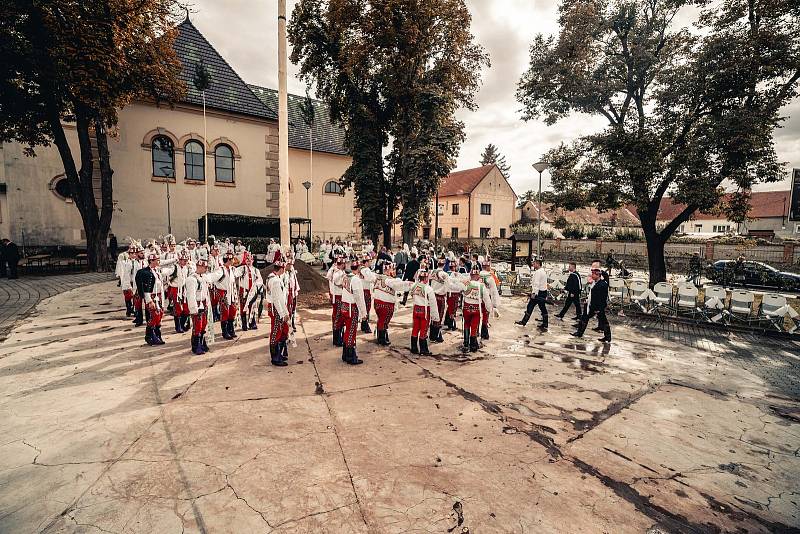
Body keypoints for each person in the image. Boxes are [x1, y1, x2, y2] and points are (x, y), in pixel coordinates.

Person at [185, 257, 225, 355]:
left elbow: (211, 281)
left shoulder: (203, 277)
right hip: (197, 304)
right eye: (204, 267)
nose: (206, 269)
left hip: (204, 303)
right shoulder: (192, 279)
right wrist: (194, 308)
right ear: (198, 267)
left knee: (203, 325)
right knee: (197, 326)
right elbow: (191, 295)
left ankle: (202, 343)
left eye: (206, 267)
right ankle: (196, 346)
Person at [450, 267, 492, 353]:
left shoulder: (465, 284)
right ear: (478, 276)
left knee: (466, 324)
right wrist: (488, 309)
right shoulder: (481, 286)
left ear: (470, 275)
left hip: (466, 308)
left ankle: (466, 343)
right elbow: (487, 299)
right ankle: (473, 345)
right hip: (476, 308)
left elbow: (455, 286)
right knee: (474, 326)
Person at [371, 262, 409, 346]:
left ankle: (381, 336)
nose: (394, 271)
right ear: (388, 270)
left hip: (377, 303)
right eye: (393, 269)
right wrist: (411, 284)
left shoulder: (377, 277)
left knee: (381, 320)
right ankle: (382, 339)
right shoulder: (389, 280)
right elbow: (400, 285)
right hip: (385, 304)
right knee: (384, 321)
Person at [340, 261, 368, 365]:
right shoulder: (356, 280)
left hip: (345, 305)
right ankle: (351, 356)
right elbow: (359, 297)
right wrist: (363, 312)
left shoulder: (346, 277)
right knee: (351, 332)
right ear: (359, 268)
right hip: (351, 307)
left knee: (348, 331)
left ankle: (345, 354)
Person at [573, 267, 611, 342]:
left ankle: (608, 337)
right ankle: (579, 333)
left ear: (598, 275)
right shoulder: (595, 283)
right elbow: (592, 294)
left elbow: (602, 298)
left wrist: (599, 309)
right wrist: (587, 300)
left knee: (603, 321)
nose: (592, 275)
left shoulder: (602, 285)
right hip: (591, 305)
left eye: (593, 274)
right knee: (585, 318)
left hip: (597, 307)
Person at [136, 251, 166, 346]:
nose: (158, 261)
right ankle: (150, 336)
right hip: (152, 297)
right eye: (157, 260)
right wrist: (149, 300)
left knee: (159, 316)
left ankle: (157, 334)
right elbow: (146, 289)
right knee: (153, 316)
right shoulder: (147, 273)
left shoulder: (157, 271)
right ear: (152, 261)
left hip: (158, 296)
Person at [408, 268, 439, 356]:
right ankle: (423, 349)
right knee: (424, 329)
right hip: (425, 310)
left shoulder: (414, 286)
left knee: (415, 328)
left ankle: (413, 348)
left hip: (416, 309)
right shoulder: (428, 288)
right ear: (425, 278)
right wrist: (436, 317)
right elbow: (433, 303)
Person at [515, 259, 549, 331]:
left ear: (538, 264)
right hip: (543, 291)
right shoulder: (543, 271)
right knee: (542, 307)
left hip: (538, 292)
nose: (533, 265)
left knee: (530, 306)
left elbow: (536, 284)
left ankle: (524, 322)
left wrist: (534, 293)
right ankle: (545, 323)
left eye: (534, 263)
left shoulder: (538, 272)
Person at [267, 261, 290, 366]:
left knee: (280, 330)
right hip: (276, 309)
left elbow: (280, 298)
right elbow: (277, 299)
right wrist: (282, 313)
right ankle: (275, 358)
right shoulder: (275, 281)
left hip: (277, 307)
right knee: (276, 332)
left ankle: (278, 354)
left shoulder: (271, 277)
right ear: (281, 269)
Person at [214, 251, 239, 340]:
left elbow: (239, 271)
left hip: (232, 292)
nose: (233, 261)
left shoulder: (232, 269)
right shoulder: (220, 270)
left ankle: (231, 329)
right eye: (232, 259)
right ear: (228, 260)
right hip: (223, 292)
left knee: (232, 310)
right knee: (225, 311)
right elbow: (213, 278)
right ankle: (225, 332)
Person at [236, 252, 263, 331]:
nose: (248, 261)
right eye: (247, 260)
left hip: (253, 291)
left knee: (253, 307)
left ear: (253, 260)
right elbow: (235, 273)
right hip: (244, 291)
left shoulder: (256, 270)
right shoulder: (242, 268)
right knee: (243, 307)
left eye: (250, 260)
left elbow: (260, 280)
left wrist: (257, 288)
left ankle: (252, 323)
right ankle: (244, 324)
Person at [166, 250, 192, 333]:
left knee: (186, 308)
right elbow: (167, 272)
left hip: (184, 289)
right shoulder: (174, 267)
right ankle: (178, 327)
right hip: (175, 289)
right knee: (178, 308)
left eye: (186, 261)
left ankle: (184, 324)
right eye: (183, 261)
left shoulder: (186, 268)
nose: (185, 262)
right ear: (179, 260)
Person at [327, 255, 346, 346]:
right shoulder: (339, 273)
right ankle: (337, 339)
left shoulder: (332, 270)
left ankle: (337, 337)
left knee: (336, 317)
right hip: (338, 296)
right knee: (338, 317)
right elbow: (338, 282)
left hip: (335, 295)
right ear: (341, 264)